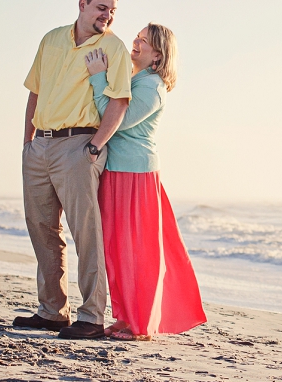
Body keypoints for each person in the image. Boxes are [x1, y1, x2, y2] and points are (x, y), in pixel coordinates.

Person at [16, 0, 131, 340]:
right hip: (40, 146)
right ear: (82, 4)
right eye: (101, 8)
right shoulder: (51, 39)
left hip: (79, 145)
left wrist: (95, 146)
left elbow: (120, 101)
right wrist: (27, 141)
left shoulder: (112, 46)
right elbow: (35, 90)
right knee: (42, 229)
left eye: (111, 10)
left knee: (85, 232)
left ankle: (92, 316)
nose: (106, 16)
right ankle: (52, 312)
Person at [84, 23, 206, 340]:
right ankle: (125, 318)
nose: (135, 42)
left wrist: (98, 77)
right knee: (116, 249)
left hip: (136, 175)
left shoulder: (151, 87)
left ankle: (140, 325)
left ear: (157, 56)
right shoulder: (136, 80)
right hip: (117, 172)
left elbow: (114, 120)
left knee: (136, 251)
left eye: (144, 41)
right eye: (137, 37)